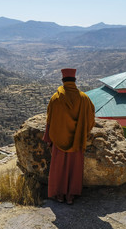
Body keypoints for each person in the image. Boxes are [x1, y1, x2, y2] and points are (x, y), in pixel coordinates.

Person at [43, 68, 95, 205]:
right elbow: (90, 120)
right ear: (75, 81)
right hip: (77, 141)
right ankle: (71, 196)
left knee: (59, 167)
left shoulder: (56, 98)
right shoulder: (84, 98)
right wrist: (82, 132)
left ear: (63, 81)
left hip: (59, 140)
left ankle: (59, 195)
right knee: (74, 168)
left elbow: (50, 120)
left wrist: (48, 138)